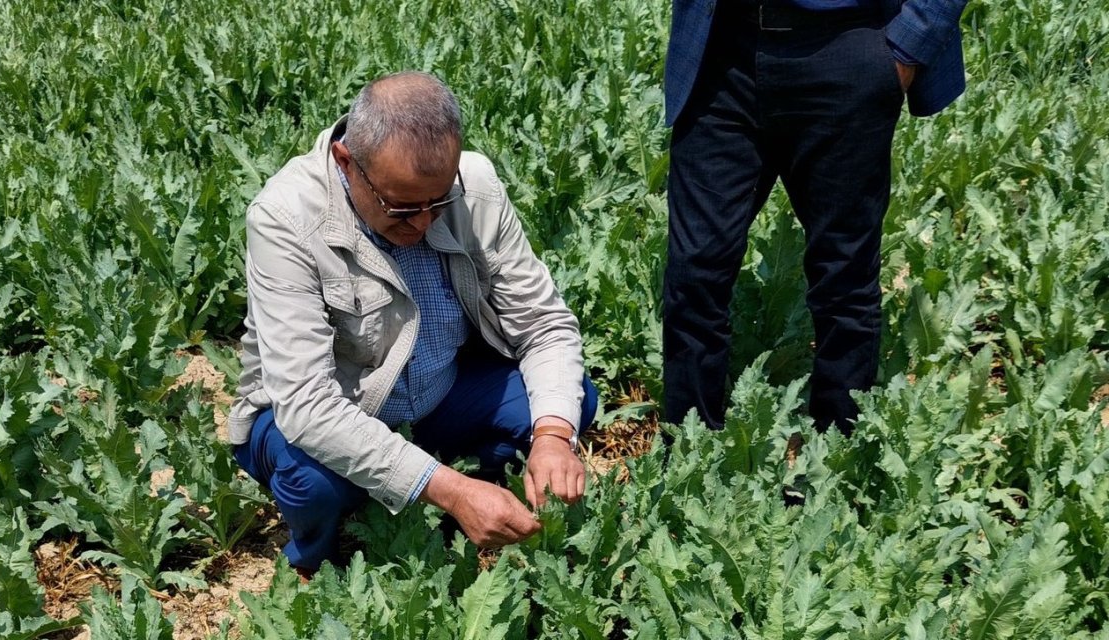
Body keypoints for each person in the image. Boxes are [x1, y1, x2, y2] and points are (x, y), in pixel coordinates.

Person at [227, 71, 598, 577]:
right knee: (312, 482)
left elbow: (544, 326)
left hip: (436, 393)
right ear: (346, 162)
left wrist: (554, 437)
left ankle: (428, 485)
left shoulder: (476, 187)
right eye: (401, 208)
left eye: (438, 201)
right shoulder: (285, 217)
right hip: (323, 413)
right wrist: (453, 489)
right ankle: (320, 564)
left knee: (567, 401)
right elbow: (308, 406)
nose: (423, 222)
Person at [662, 0, 968, 433]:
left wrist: (908, 46)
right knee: (694, 273)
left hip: (849, 46)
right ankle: (687, 456)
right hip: (721, 51)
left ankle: (835, 464)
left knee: (844, 277)